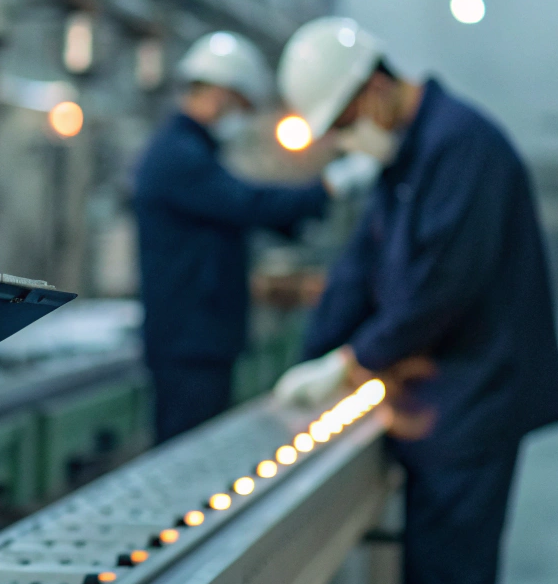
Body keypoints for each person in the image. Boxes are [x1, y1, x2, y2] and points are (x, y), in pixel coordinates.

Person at [274, 17, 558, 584]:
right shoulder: (410, 154)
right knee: (428, 583)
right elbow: (363, 263)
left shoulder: (459, 147)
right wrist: (315, 351)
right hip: (438, 399)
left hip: (475, 400)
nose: (343, 141)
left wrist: (349, 363)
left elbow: (440, 288)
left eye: (341, 124)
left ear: (373, 90)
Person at [133, 31, 376, 444]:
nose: (240, 116)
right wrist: (328, 187)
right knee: (188, 451)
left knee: (196, 449)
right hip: (189, 339)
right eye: (241, 104)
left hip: (198, 335)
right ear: (218, 94)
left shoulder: (191, 151)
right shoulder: (178, 156)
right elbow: (247, 204)